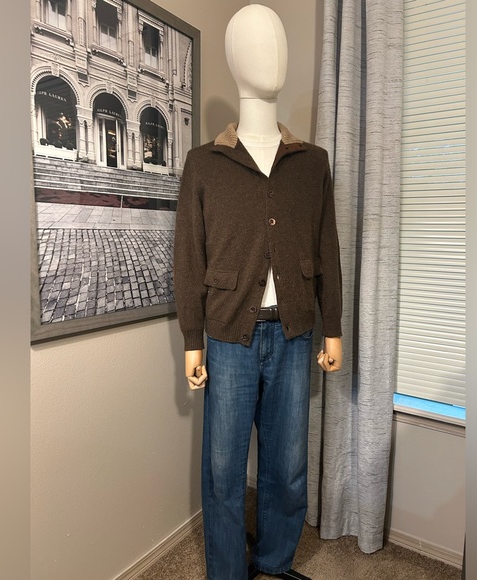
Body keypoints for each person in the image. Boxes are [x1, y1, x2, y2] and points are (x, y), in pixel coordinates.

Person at [173, 5, 343, 579]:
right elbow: (189, 257)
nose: (271, 52)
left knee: (288, 465)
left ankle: (273, 560)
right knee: (223, 470)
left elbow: (327, 250)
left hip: (294, 334)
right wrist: (192, 339)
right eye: (254, 41)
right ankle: (226, 570)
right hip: (228, 337)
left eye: (278, 40)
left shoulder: (312, 163)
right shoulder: (205, 163)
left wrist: (333, 327)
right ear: (232, 58)